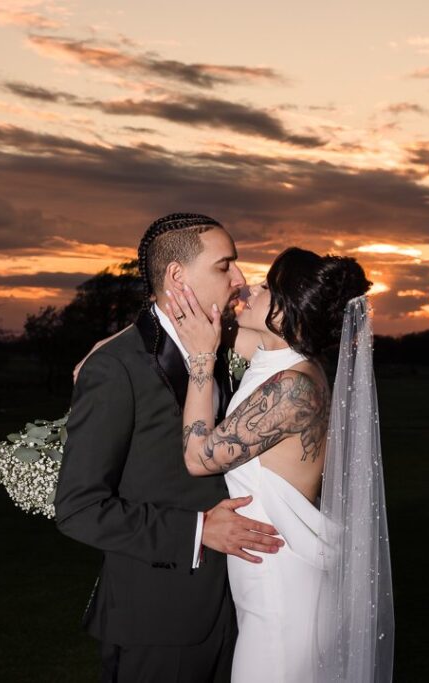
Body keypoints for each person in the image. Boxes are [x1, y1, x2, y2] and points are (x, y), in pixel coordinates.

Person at [53, 213, 285, 683]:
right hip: (157, 617)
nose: (241, 279)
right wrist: (198, 530)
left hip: (240, 604)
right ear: (177, 275)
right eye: (226, 266)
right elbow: (78, 508)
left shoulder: (220, 345)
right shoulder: (116, 368)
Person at [164, 247, 395, 682]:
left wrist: (200, 363)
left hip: (281, 597)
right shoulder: (279, 356)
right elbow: (199, 329)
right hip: (268, 583)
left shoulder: (293, 388)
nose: (251, 289)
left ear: (290, 313)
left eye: (268, 288)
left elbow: (198, 458)